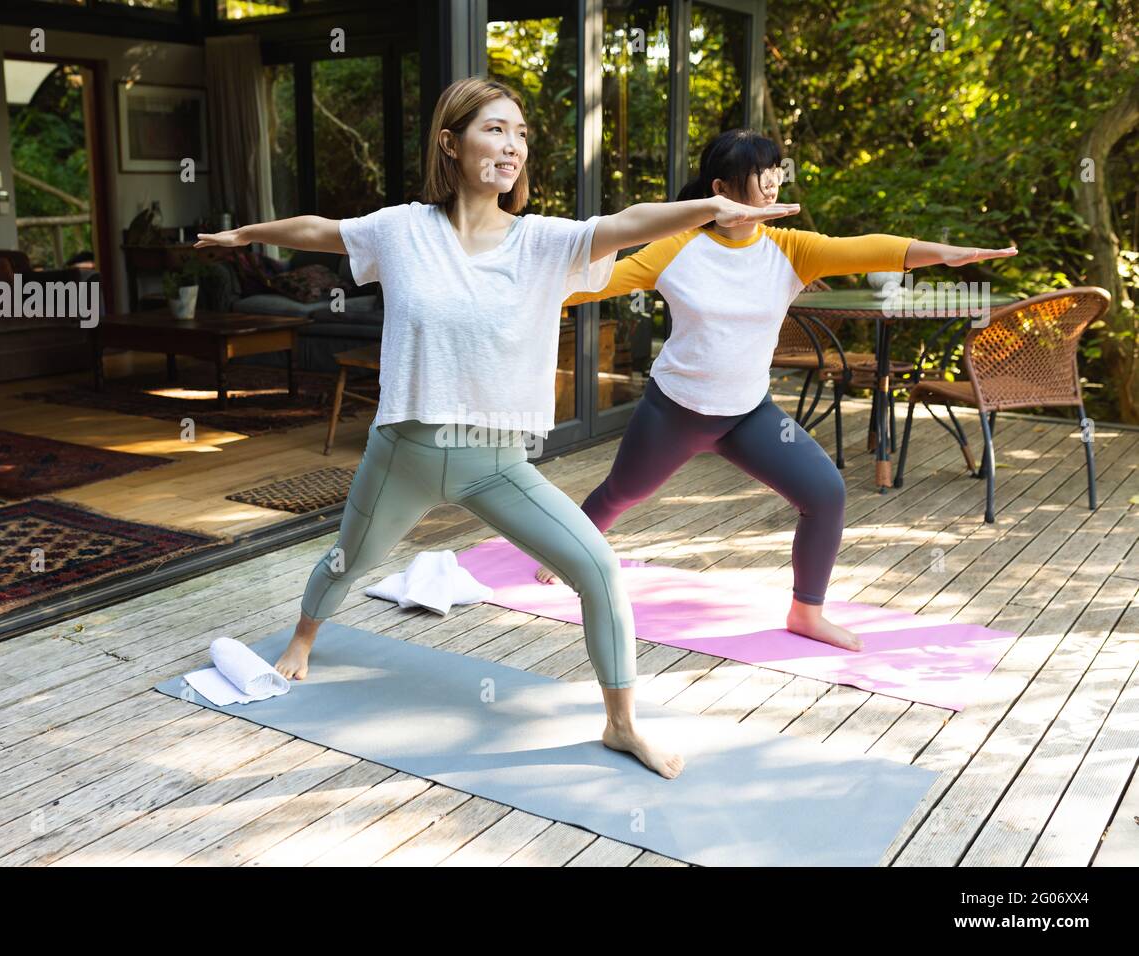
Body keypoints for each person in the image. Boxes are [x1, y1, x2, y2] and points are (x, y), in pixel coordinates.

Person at [196, 80, 801, 778]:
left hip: (496, 463)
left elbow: (630, 220)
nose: (512, 145)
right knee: (350, 561)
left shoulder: (544, 242)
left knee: (598, 569)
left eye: (520, 133)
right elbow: (322, 232)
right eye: (495, 130)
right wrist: (250, 234)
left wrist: (711, 206)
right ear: (451, 144)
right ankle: (304, 637)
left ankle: (621, 724)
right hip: (406, 453)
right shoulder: (401, 230)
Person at [534, 128, 1017, 652]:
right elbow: (596, 283)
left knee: (825, 492)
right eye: (760, 175)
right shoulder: (677, 248)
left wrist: (945, 254)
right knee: (621, 494)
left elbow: (866, 249)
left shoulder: (791, 249)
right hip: (675, 411)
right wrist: (518, 286)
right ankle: (564, 553)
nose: (771, 184)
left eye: (775, 172)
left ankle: (807, 614)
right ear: (721, 187)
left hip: (748, 416)